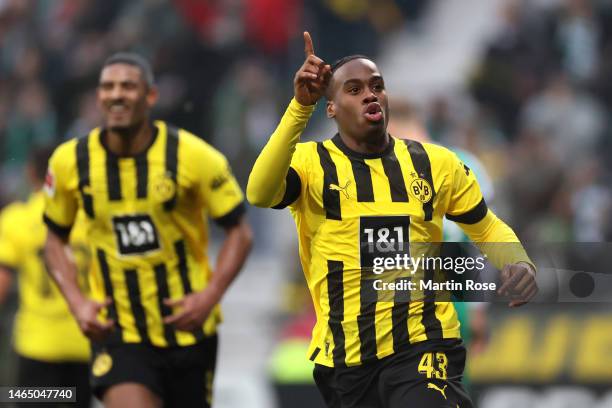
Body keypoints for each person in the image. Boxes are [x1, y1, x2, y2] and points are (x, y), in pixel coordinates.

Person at [247, 32, 538, 408]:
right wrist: (299, 109)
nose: (370, 94)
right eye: (353, 89)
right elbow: (258, 192)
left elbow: (485, 225)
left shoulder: (436, 164)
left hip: (423, 344)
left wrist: (517, 260)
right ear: (331, 107)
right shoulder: (310, 163)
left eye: (377, 86)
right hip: (346, 358)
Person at [43, 52, 253, 408]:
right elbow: (54, 239)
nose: (116, 94)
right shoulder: (70, 161)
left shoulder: (193, 155)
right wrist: (78, 303)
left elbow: (240, 233)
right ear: (98, 97)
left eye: (128, 86)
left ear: (150, 96)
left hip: (188, 330)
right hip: (119, 331)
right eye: (108, 87)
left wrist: (208, 297)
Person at [0, 148, 91, 408]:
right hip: (83, 342)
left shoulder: (17, 219)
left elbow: (2, 283)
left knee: (16, 398)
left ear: (31, 173)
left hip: (37, 344)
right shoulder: (90, 218)